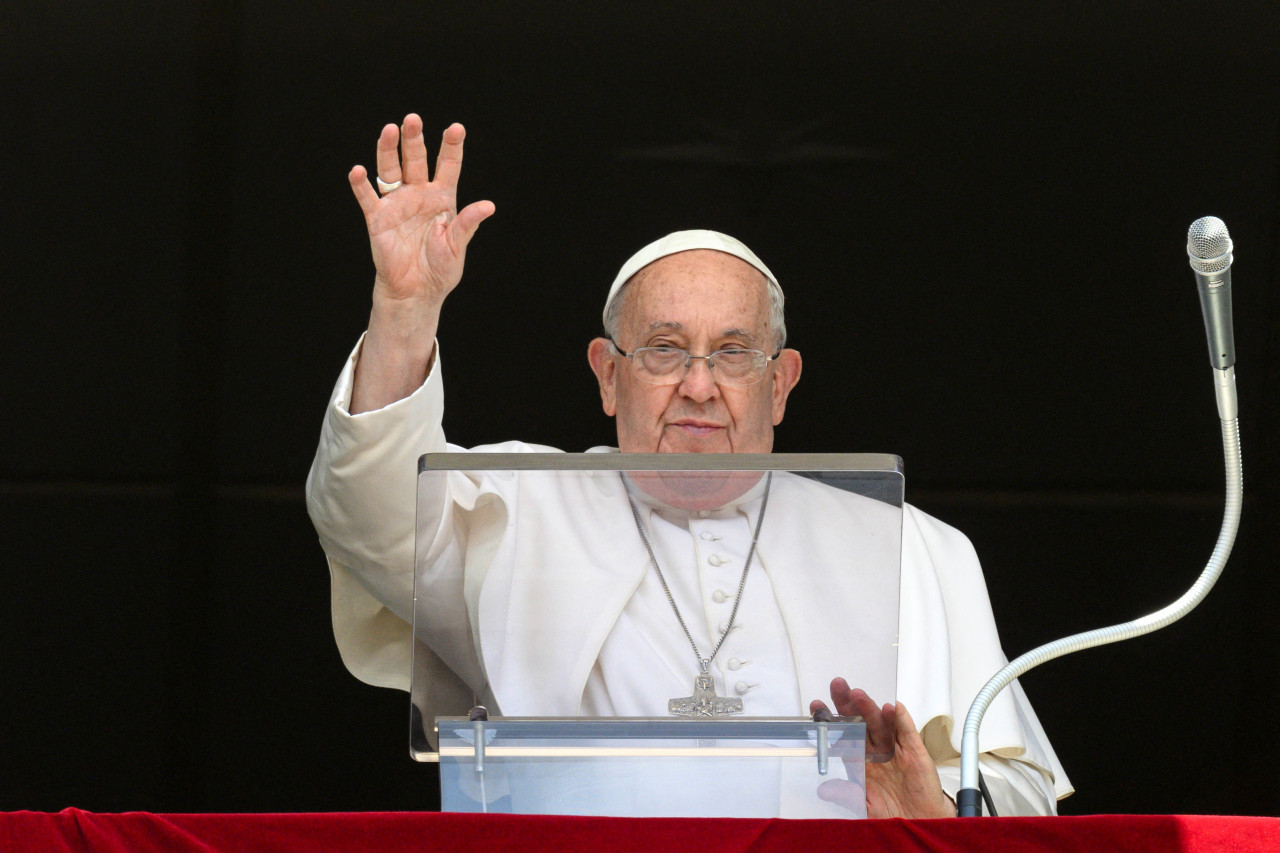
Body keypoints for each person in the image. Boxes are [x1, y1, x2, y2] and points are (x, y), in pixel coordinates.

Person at [306, 114, 1072, 818]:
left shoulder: (910, 547)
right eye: (665, 349)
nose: (699, 386)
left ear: (781, 383)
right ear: (607, 374)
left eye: (734, 353)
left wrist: (934, 808)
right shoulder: (514, 506)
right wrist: (404, 311)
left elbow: (1018, 792)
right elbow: (366, 520)